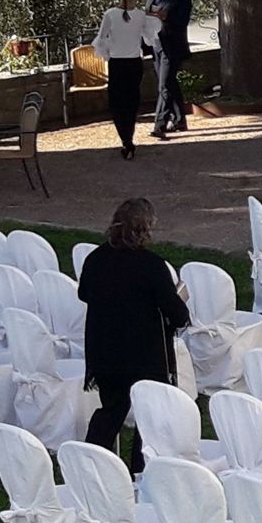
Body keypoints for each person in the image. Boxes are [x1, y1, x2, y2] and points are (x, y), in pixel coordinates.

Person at [78, 197, 191, 474]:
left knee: (111, 410)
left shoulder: (95, 259)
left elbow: (84, 293)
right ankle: (140, 472)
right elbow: (177, 314)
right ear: (145, 229)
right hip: (144, 357)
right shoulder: (152, 266)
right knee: (149, 416)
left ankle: (90, 465)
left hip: (105, 351)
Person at [92, 0, 158, 160]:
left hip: (118, 63)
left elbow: (101, 39)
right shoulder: (140, 15)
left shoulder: (110, 14)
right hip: (134, 63)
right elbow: (149, 38)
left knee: (117, 103)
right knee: (131, 101)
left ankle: (126, 139)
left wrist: (108, 52)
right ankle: (129, 136)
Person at [145, 0, 192, 140]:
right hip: (156, 45)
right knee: (169, 83)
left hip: (173, 47)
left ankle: (160, 124)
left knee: (164, 85)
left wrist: (167, 17)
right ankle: (180, 120)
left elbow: (183, 21)